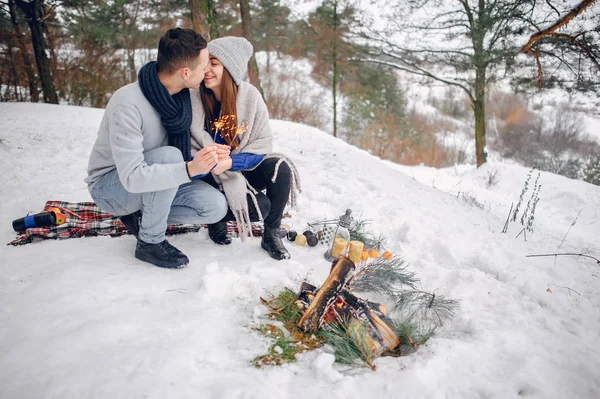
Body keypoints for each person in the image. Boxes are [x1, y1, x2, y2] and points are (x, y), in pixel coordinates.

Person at [85, 28, 230, 269]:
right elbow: (132, 178)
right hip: (112, 187)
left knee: (214, 207)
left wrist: (209, 153)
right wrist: (189, 169)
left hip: (157, 179)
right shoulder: (128, 104)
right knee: (170, 157)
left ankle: (145, 216)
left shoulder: (181, 97)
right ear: (185, 72)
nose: (207, 70)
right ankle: (149, 242)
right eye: (204, 64)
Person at [185, 36, 301, 261]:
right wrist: (213, 162)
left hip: (236, 165)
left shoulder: (250, 97)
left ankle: (271, 234)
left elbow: (261, 144)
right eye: (206, 62)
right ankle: (216, 218)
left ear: (230, 68)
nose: (207, 69)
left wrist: (230, 163)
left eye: (215, 64)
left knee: (281, 166)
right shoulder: (194, 96)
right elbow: (190, 146)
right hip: (207, 172)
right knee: (258, 207)